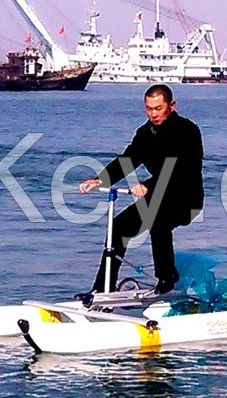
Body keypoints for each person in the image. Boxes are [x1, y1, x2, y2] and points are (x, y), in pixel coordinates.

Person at [79, 83, 204, 295]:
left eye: (158, 108)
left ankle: (167, 277)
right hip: (157, 197)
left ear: (171, 106)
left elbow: (181, 169)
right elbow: (128, 159)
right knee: (118, 227)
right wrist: (101, 180)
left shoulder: (187, 131)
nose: (153, 114)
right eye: (149, 108)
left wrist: (147, 185)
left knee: (157, 220)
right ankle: (103, 288)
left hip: (186, 199)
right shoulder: (146, 133)